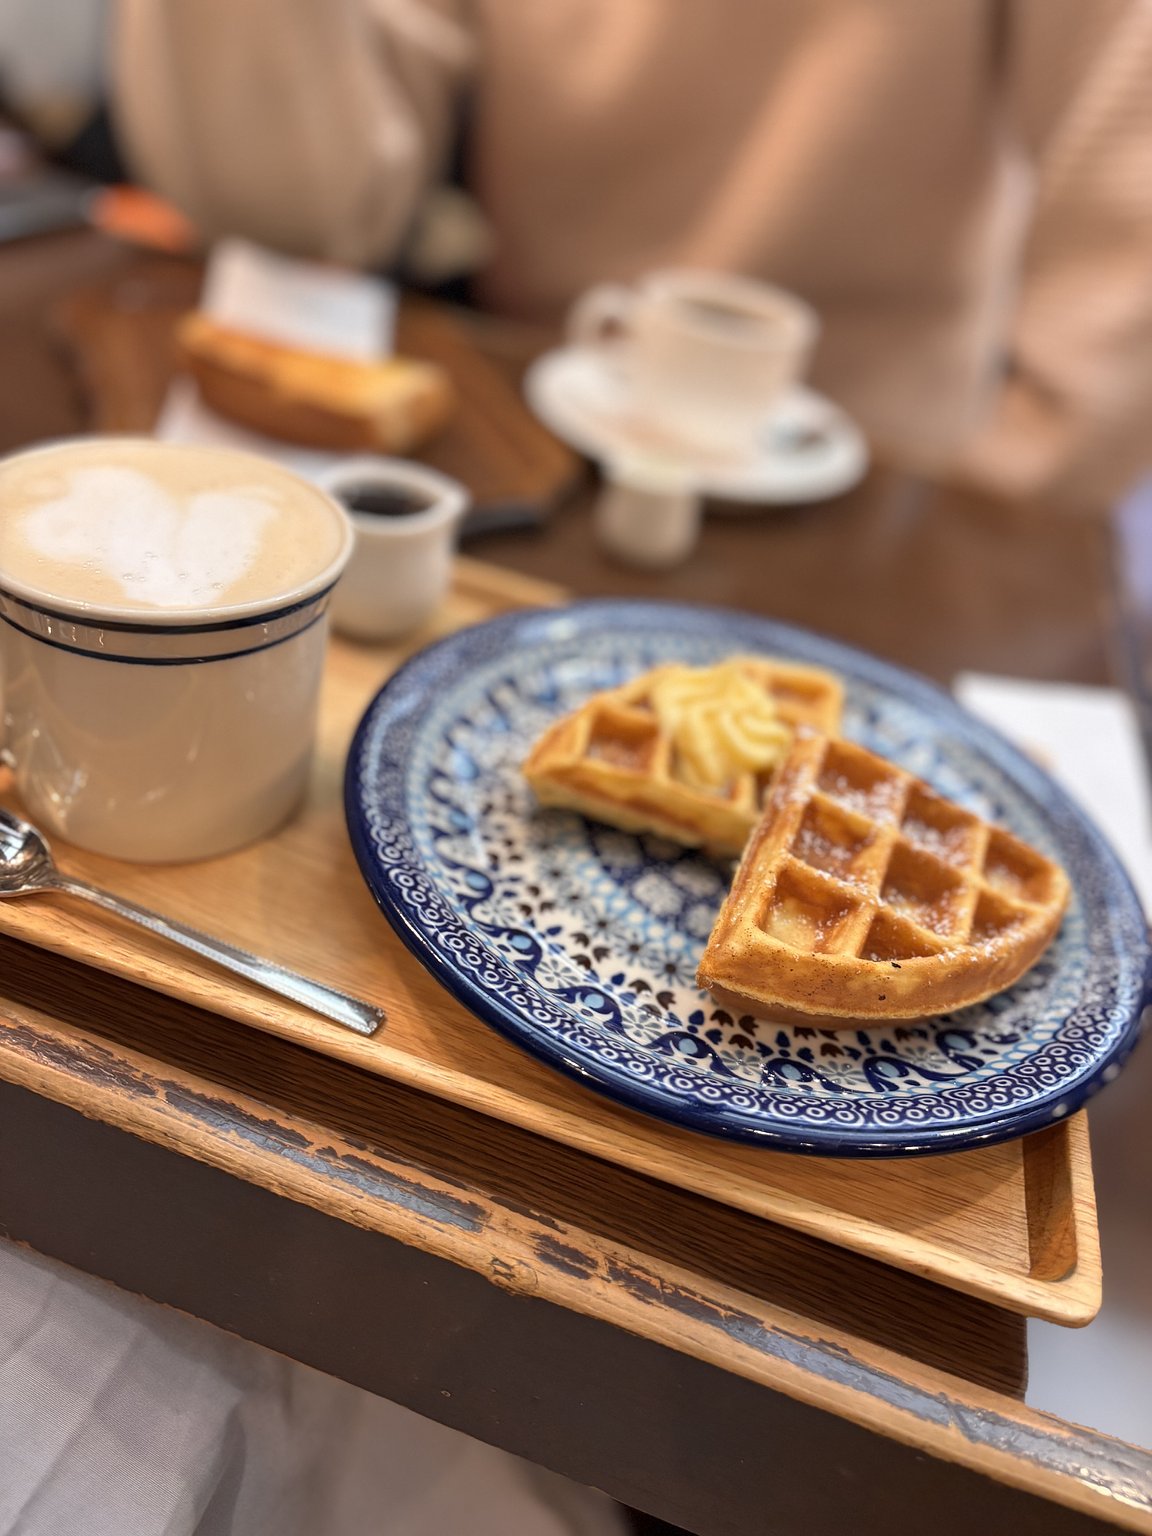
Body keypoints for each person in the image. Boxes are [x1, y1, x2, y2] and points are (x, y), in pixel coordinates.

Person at [113, 0, 1152, 509]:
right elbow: (310, 215)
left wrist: (1003, 501)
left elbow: (1129, 172)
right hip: (536, 447)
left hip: (881, 483)